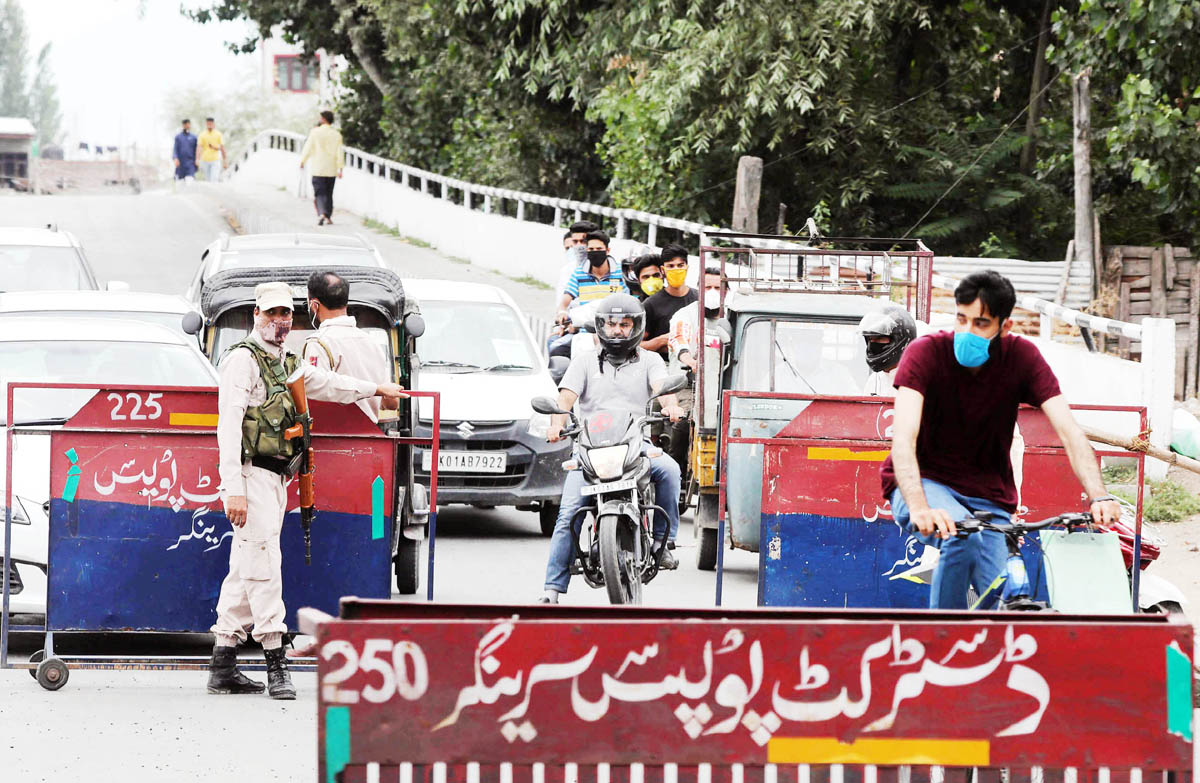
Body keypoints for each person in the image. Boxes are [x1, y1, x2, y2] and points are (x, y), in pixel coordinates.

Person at [210, 282, 407, 699]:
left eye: (286, 314)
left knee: (245, 567)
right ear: (256, 316)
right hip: (251, 477)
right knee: (265, 567)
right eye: (271, 313)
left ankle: (222, 663)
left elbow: (329, 383)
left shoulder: (286, 361)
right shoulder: (242, 361)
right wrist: (233, 489)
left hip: (275, 478)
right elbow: (228, 428)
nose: (280, 321)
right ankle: (275, 662)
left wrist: (376, 389)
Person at [881, 270, 1122, 610]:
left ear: (1004, 327)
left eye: (981, 323)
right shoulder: (926, 354)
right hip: (925, 483)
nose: (967, 331)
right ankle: (942, 634)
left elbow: (1070, 432)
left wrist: (1099, 495)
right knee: (961, 537)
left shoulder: (1022, 359)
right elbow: (904, 438)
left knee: (1002, 597)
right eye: (962, 319)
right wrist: (919, 506)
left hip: (990, 500)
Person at [541, 293, 686, 602]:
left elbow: (662, 389)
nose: (617, 330)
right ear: (600, 326)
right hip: (590, 450)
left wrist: (671, 406)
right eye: (611, 324)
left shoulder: (650, 360)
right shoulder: (584, 361)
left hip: (636, 445)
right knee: (568, 514)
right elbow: (565, 399)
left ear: (637, 327)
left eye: (625, 324)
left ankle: (664, 542)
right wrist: (556, 424)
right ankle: (551, 590)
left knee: (670, 471)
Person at [302, 271, 394, 423]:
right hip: (372, 433)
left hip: (332, 433)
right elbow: (391, 402)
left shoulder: (318, 343)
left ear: (314, 305)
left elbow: (315, 395)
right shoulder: (372, 343)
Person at [641, 244, 697, 361]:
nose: (676, 269)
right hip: (663, 365)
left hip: (694, 365)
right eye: (671, 266)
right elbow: (635, 345)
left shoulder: (699, 299)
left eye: (680, 265)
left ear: (687, 267)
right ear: (663, 270)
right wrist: (660, 341)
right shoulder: (651, 304)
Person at [857, 304, 918, 396]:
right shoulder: (874, 380)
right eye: (870, 339)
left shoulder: (917, 381)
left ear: (900, 340)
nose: (873, 343)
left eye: (879, 338)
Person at [299, 110, 345, 225]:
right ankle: (328, 216)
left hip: (318, 169)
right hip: (331, 169)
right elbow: (340, 152)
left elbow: (308, 147)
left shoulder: (315, 132)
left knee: (319, 193)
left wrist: (303, 160)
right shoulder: (336, 135)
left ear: (324, 119)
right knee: (329, 193)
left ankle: (321, 213)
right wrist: (340, 169)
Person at [196, 117, 226, 183]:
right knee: (208, 180)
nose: (209, 125)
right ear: (206, 124)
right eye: (208, 124)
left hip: (215, 160)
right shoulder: (202, 135)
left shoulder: (218, 134)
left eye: (211, 123)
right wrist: (197, 159)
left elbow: (222, 148)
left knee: (214, 179)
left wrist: (225, 160)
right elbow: (199, 147)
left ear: (213, 124)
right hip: (205, 160)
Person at [172, 119, 197, 188]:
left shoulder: (194, 137)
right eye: (185, 124)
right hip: (180, 163)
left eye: (188, 124)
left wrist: (197, 160)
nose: (187, 126)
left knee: (190, 181)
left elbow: (197, 150)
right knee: (179, 184)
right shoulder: (178, 137)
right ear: (183, 125)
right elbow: (175, 149)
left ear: (190, 125)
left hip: (190, 163)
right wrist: (175, 158)